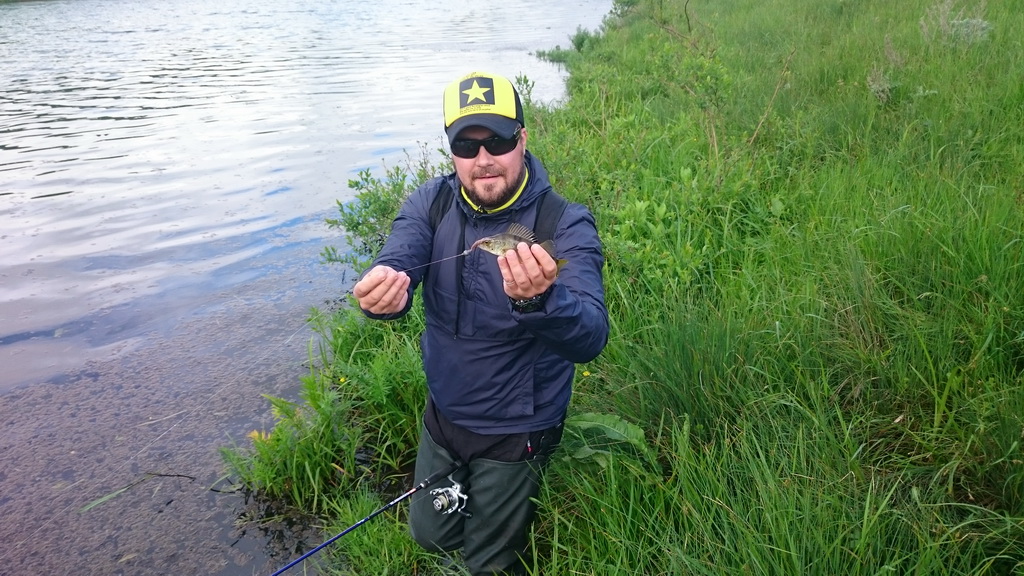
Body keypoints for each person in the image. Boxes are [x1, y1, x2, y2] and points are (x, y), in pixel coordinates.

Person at [352, 71, 608, 575]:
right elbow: (400, 254)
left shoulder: (564, 223)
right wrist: (384, 290)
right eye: (466, 146)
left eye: (499, 140)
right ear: (451, 152)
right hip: (445, 413)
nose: (483, 158)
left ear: (523, 139)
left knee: (488, 563)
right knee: (429, 535)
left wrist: (542, 301)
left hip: (518, 425)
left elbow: (591, 338)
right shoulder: (431, 201)